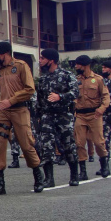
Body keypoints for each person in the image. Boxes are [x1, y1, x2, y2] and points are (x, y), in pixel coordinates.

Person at [0, 41, 45, 195]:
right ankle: (0, 183)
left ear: (4, 54)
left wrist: (11, 100)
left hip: (20, 110)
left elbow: (29, 89)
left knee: (26, 144)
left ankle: (38, 175)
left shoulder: (22, 66)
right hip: (3, 113)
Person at [35, 48, 80, 187]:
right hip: (47, 115)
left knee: (68, 145)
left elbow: (75, 92)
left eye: (42, 58)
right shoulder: (43, 79)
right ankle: (49, 179)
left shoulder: (67, 75)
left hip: (63, 115)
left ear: (51, 60)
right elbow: (40, 99)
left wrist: (60, 96)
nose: (40, 61)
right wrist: (38, 116)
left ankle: (74, 175)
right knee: (46, 146)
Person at [72, 55, 111, 180]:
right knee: (79, 143)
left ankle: (104, 165)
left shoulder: (98, 79)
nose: (76, 67)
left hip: (94, 114)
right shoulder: (76, 80)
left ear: (85, 65)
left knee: (99, 142)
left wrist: (102, 109)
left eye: (78, 64)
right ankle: (83, 171)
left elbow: (106, 96)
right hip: (80, 115)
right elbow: (73, 96)